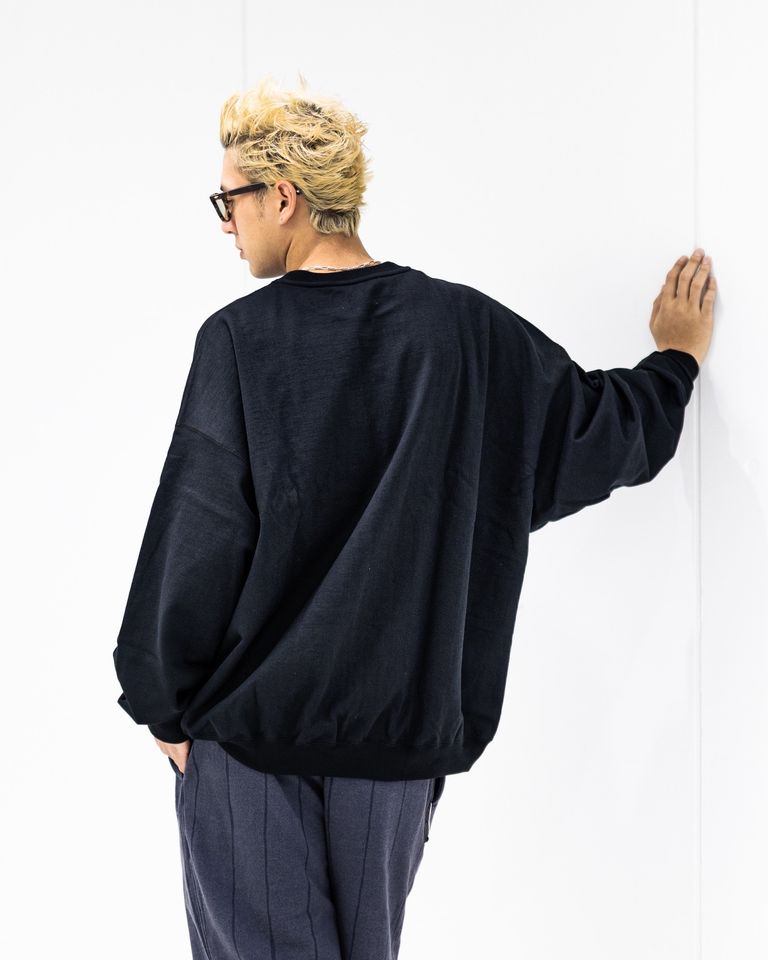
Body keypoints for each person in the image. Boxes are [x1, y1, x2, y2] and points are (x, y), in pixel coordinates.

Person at [112, 74, 716, 960]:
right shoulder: (468, 335)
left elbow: (196, 538)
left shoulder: (241, 340)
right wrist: (673, 362)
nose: (226, 223)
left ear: (283, 197)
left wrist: (161, 707)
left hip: (248, 746)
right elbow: (596, 434)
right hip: (394, 756)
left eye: (229, 200)